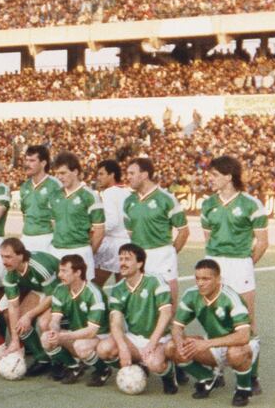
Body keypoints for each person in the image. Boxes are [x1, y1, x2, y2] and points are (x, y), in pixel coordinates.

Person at [202, 155, 268, 393]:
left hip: (240, 265)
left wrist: (246, 264)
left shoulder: (251, 204)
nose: (210, 179)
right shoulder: (207, 204)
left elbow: (261, 243)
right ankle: (216, 371)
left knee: (247, 322)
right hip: (215, 264)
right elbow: (209, 239)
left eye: (214, 175)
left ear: (228, 176)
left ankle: (252, 375)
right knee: (214, 319)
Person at [166, 259, 259, 406]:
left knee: (235, 354)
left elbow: (244, 336)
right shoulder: (191, 295)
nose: (200, 283)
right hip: (214, 342)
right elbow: (177, 326)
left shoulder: (230, 297)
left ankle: (242, 389)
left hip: (242, 344)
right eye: (197, 278)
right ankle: (208, 378)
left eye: (206, 279)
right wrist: (179, 343)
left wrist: (206, 343)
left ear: (218, 279)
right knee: (171, 347)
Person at [95, 243, 177, 393]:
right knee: (104, 349)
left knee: (154, 364)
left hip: (159, 339)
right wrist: (123, 347)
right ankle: (138, 365)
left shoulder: (155, 282)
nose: (122, 263)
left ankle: (170, 373)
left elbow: (166, 315)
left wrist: (152, 343)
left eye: (127, 259)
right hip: (133, 338)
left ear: (139, 263)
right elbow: (115, 322)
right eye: (120, 259)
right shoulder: (118, 288)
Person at [124, 157, 188, 307]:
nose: (128, 177)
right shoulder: (129, 201)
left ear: (144, 175)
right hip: (139, 256)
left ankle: (170, 327)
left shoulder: (166, 199)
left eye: (131, 173)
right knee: (142, 299)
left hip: (162, 254)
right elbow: (130, 233)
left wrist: (170, 252)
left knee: (167, 299)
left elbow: (184, 231)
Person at [42, 254, 110, 385]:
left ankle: (104, 369)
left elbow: (91, 331)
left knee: (81, 346)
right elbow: (55, 319)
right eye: (60, 270)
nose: (60, 275)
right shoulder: (60, 289)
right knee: (46, 338)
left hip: (101, 335)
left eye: (64, 271)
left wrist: (63, 337)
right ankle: (75, 367)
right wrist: (54, 331)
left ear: (78, 272)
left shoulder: (93, 293)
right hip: (77, 333)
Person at [0, 237, 60, 377]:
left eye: (8, 257)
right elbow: (13, 307)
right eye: (2, 256)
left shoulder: (39, 266)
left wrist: (29, 315)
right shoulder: (10, 274)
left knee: (44, 323)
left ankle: (59, 362)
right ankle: (42, 359)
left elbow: (52, 295)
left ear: (20, 255)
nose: (4, 261)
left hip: (59, 291)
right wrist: (14, 340)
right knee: (19, 322)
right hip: (40, 290)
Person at [49, 152, 105, 281]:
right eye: (57, 174)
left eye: (63, 173)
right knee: (56, 294)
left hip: (79, 250)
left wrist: (88, 252)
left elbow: (100, 231)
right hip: (56, 250)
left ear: (75, 171)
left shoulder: (90, 196)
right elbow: (54, 224)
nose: (59, 177)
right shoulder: (54, 196)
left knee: (81, 295)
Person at [94, 159, 131, 286]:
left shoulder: (108, 193)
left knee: (94, 285)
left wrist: (95, 231)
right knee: (124, 289)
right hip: (127, 243)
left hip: (112, 244)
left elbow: (111, 221)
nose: (98, 178)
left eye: (101, 174)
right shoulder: (128, 191)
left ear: (112, 175)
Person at [19, 145, 61, 253]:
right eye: (26, 160)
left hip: (46, 239)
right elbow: (25, 215)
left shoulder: (55, 185)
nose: (27, 164)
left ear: (43, 163)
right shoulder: (24, 187)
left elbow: (60, 219)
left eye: (32, 160)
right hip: (26, 238)